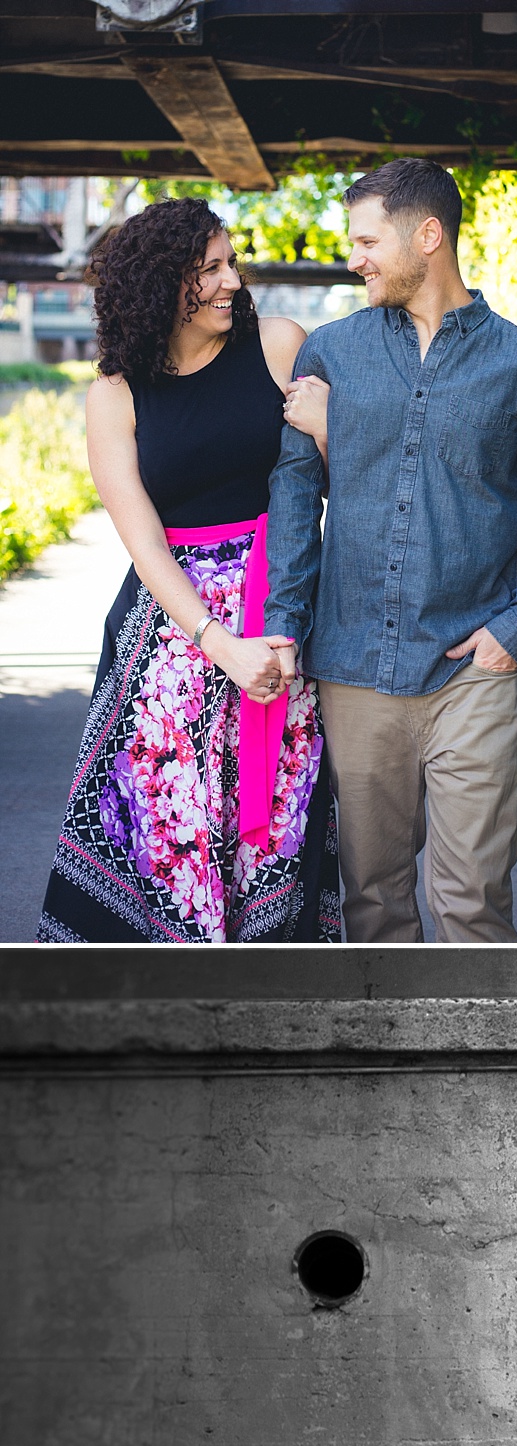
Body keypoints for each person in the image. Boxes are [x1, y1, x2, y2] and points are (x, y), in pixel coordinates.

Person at [264, 157, 517, 944]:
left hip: (471, 672)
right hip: (353, 667)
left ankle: (477, 1065)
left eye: (367, 240)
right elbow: (292, 495)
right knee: (373, 904)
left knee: (473, 903)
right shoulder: (330, 357)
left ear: (428, 234)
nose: (355, 259)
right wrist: (285, 618)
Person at [36, 199, 341, 944]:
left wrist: (334, 431)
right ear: (162, 283)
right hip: (171, 641)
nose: (233, 280)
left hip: (283, 624)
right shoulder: (113, 393)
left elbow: (348, 491)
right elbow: (142, 543)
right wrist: (217, 642)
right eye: (211, 269)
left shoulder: (278, 344)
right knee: (172, 832)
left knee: (277, 829)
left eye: (231, 262)